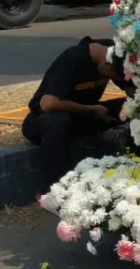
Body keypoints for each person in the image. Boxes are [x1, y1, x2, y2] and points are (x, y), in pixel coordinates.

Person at [22, 37, 129, 192]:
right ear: (105, 63)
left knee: (131, 106)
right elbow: (48, 104)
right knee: (59, 120)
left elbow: (131, 90)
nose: (107, 80)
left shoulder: (114, 54)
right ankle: (59, 187)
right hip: (45, 120)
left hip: (83, 116)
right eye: (109, 75)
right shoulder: (73, 58)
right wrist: (91, 109)